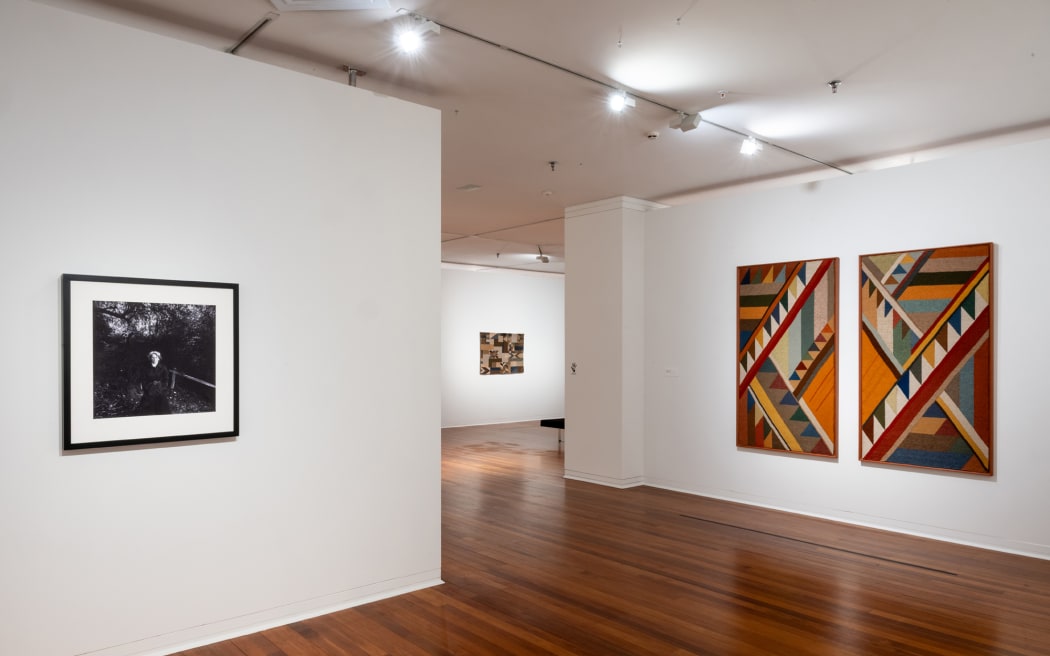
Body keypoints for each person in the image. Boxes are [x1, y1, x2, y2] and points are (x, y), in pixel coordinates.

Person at [136, 350, 172, 415]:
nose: (154, 359)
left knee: (163, 408)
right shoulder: (146, 368)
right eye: (152, 357)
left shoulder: (163, 368)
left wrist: (162, 387)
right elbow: (143, 379)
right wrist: (148, 387)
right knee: (148, 409)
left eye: (156, 357)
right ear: (150, 358)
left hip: (160, 389)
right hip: (149, 389)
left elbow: (166, 379)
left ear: (158, 358)